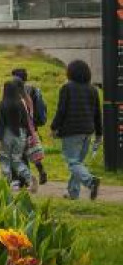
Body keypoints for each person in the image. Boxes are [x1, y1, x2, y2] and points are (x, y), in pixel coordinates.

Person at [51, 60, 102, 200]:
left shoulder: (67, 88)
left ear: (70, 73)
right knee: (78, 162)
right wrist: (99, 133)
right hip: (88, 131)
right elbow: (97, 113)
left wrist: (54, 127)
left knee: (72, 162)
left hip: (71, 131)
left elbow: (61, 110)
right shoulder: (93, 89)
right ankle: (73, 193)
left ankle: (91, 181)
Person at [0, 78, 36, 191]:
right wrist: (29, 135)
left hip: (7, 135)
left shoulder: (2, 104)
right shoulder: (20, 103)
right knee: (16, 159)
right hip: (20, 134)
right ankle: (29, 178)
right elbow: (26, 121)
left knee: (4, 159)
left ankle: (6, 183)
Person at [12, 68, 49, 184]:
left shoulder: (18, 91)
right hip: (32, 125)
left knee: (21, 153)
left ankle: (24, 179)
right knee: (33, 150)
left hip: (21, 125)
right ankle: (41, 170)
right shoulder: (33, 89)